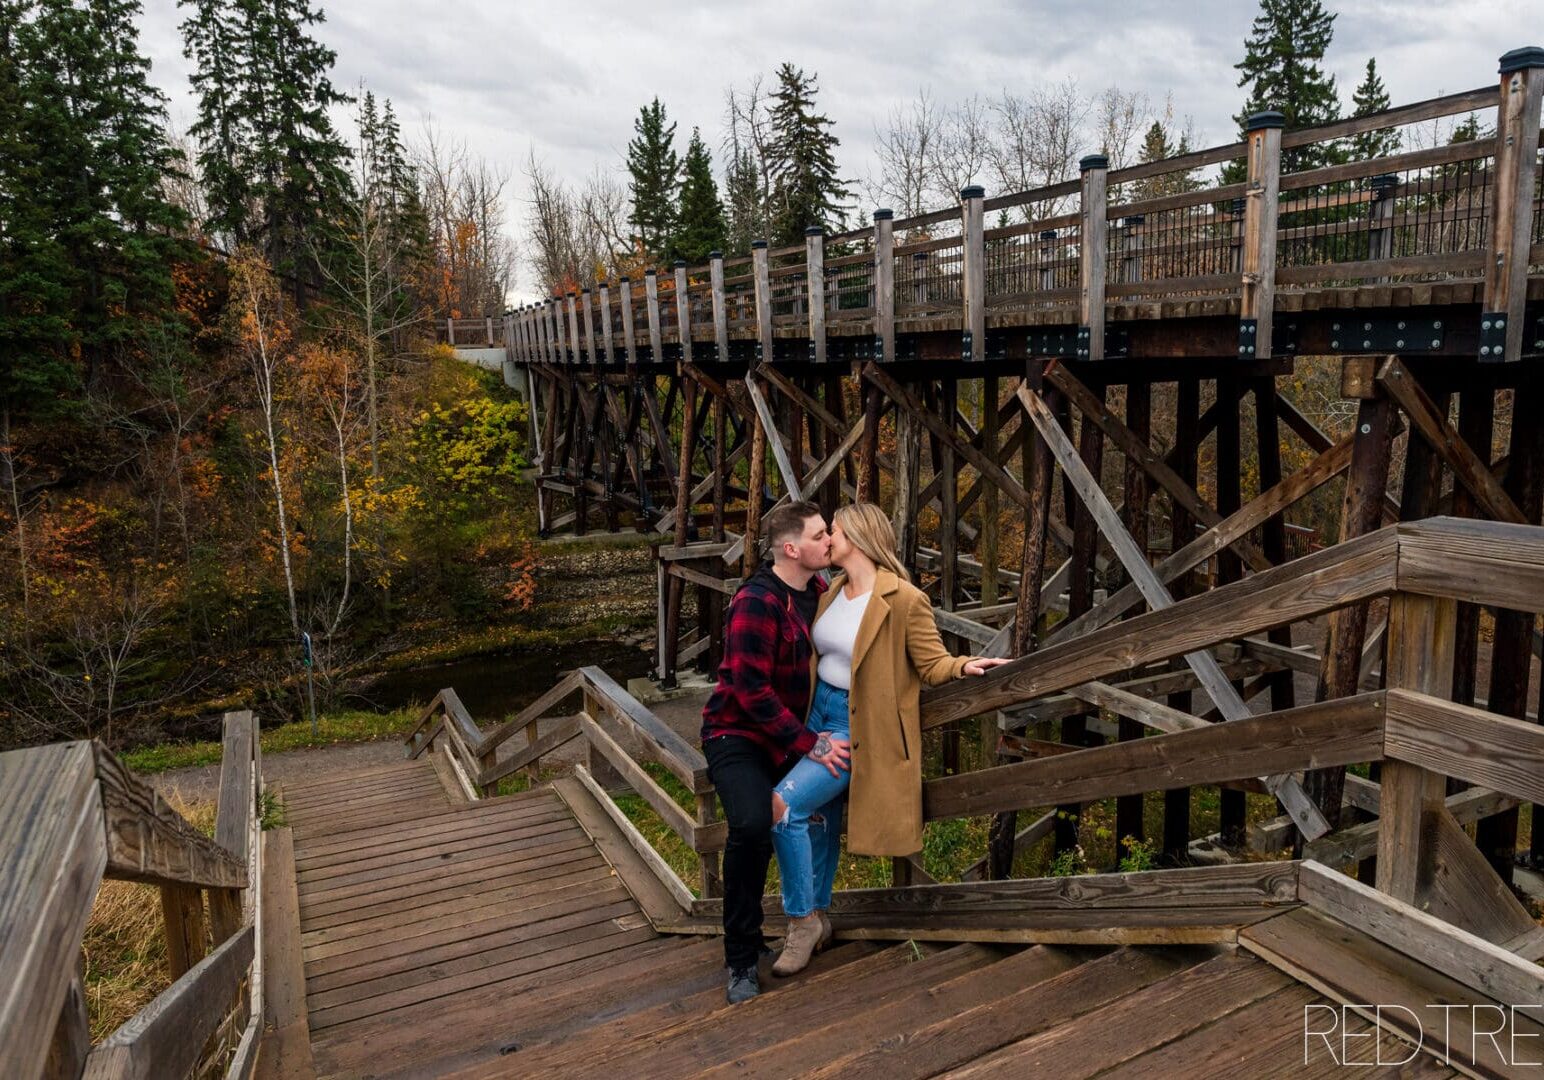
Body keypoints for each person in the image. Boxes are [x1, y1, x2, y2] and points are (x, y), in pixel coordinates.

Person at [768, 502, 1008, 976]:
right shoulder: (831, 589)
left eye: (832, 531)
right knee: (815, 818)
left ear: (855, 536)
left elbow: (932, 662)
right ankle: (818, 915)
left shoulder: (903, 599)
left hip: (858, 726)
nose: (826, 539)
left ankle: (801, 921)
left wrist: (965, 666)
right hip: (818, 716)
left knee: (783, 807)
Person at [699, 500, 849, 1004]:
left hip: (788, 733)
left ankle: (810, 917)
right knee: (750, 824)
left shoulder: (821, 591)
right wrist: (812, 741)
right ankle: (741, 958)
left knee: (819, 807)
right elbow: (749, 688)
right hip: (737, 735)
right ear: (791, 548)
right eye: (820, 535)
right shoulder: (757, 602)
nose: (830, 540)